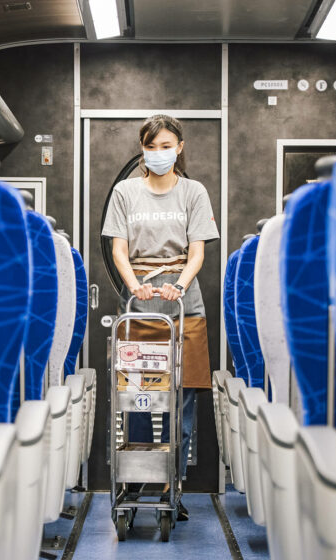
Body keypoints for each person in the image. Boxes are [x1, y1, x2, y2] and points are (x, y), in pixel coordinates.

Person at [102, 114, 219, 521]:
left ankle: (174, 486)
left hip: (183, 303)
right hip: (139, 304)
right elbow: (119, 249)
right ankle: (133, 481)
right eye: (150, 147)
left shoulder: (193, 192)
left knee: (181, 403)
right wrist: (134, 284)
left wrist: (180, 284)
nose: (157, 154)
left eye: (165, 146)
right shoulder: (125, 192)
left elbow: (198, 251)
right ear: (142, 149)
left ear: (179, 147)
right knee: (136, 399)